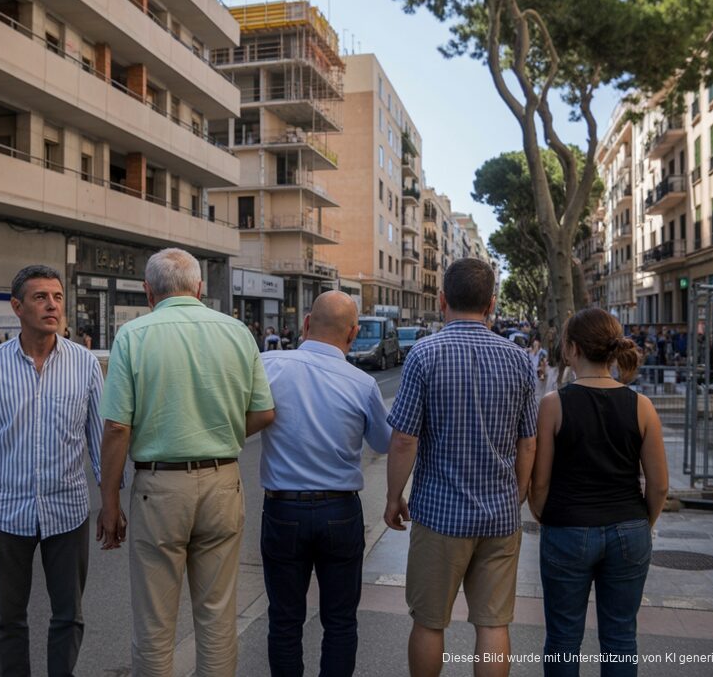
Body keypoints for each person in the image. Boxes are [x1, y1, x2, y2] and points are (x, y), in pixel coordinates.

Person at [97, 248, 276, 677]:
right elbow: (265, 412)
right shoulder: (236, 332)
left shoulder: (134, 336)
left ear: (148, 292)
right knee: (217, 615)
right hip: (222, 483)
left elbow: (117, 428)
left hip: (159, 489)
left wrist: (109, 503)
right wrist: (224, 433)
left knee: (155, 622)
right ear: (199, 288)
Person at [384, 258, 537, 677]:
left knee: (430, 622)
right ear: (491, 303)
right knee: (493, 623)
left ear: (442, 300)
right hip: (499, 516)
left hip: (438, 515)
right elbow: (528, 442)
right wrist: (516, 495)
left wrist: (393, 497)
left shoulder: (424, 354)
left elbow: (404, 438)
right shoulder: (520, 359)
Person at [0, 265, 104, 677]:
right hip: (6, 516)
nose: (52, 305)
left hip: (68, 514)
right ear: (17, 307)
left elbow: (99, 442)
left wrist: (111, 503)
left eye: (57, 297)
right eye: (41, 297)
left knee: (68, 615)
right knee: (8, 618)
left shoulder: (85, 365)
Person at [529, 308, 669, 676]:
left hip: (567, 528)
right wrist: (644, 521)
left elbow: (539, 482)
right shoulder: (642, 406)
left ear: (572, 349)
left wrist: (544, 513)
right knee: (621, 637)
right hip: (629, 529)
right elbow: (659, 484)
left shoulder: (553, 404)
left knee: (562, 639)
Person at [259, 291, 392, 677]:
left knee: (284, 621)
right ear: (352, 335)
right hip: (339, 511)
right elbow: (384, 443)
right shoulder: (363, 383)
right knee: (340, 621)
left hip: (282, 508)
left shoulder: (268, 364)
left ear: (305, 324)